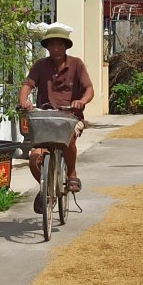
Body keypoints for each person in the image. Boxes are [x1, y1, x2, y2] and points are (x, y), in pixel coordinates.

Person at [18, 23, 94, 213]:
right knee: (35, 157)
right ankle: (46, 188)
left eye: (59, 45)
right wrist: (23, 100)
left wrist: (81, 101)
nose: (56, 49)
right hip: (45, 116)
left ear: (66, 46)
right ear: (47, 47)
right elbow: (28, 84)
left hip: (70, 116)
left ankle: (72, 173)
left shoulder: (77, 64)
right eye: (52, 45)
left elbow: (89, 89)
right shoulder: (40, 66)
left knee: (68, 140)